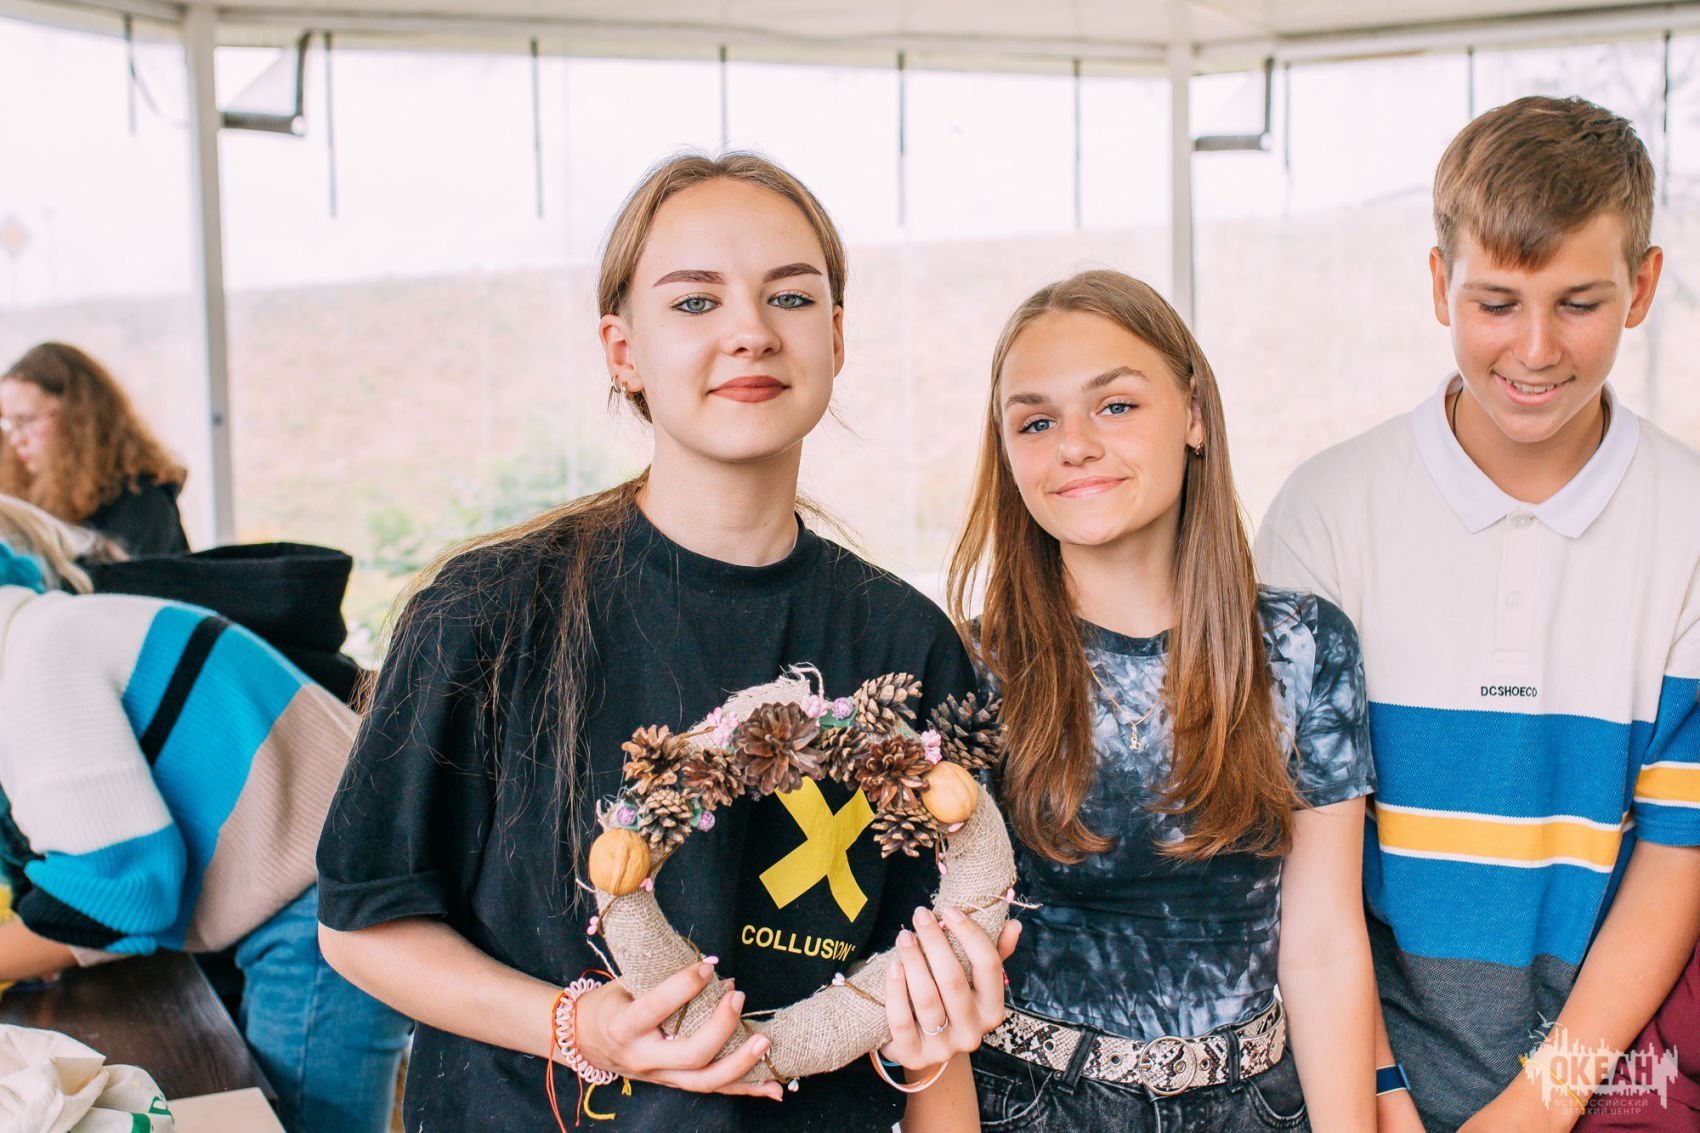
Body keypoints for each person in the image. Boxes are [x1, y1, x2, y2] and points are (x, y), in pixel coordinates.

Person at [315, 153, 1016, 1133]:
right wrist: (580, 1026)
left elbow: (929, 992)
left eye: (790, 296)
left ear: (835, 337)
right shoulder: (485, 613)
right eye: (694, 301)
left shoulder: (906, 641)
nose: (750, 331)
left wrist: (949, 1016)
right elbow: (363, 923)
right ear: (623, 351)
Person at [1256, 95, 1700, 1132]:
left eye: (1578, 303)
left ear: (1641, 286)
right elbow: (1290, 859)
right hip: (1339, 1079)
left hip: (1597, 1085)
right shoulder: (1324, 512)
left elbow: (1677, 851)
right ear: (1436, 284)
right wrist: (1374, 1089)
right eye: (1495, 302)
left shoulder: (1687, 522)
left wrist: (1541, 1103)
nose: (1535, 348)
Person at [948, 269, 1377, 1132]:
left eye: (1115, 406)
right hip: (1028, 1107)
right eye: (1036, 422)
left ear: (1194, 414)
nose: (1074, 445)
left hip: (1257, 1106)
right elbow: (939, 972)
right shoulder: (968, 665)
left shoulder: (1306, 646)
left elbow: (1325, 946)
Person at [0, 496, 409, 1133]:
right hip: (325, 877)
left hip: (326, 899)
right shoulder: (46, 632)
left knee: (301, 1126)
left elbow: (123, 898)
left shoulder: (37, 670)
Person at [0, 342, 190, 556]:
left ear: (79, 418)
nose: (16, 439)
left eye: (26, 420)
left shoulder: (143, 501)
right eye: (9, 424)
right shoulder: (36, 497)